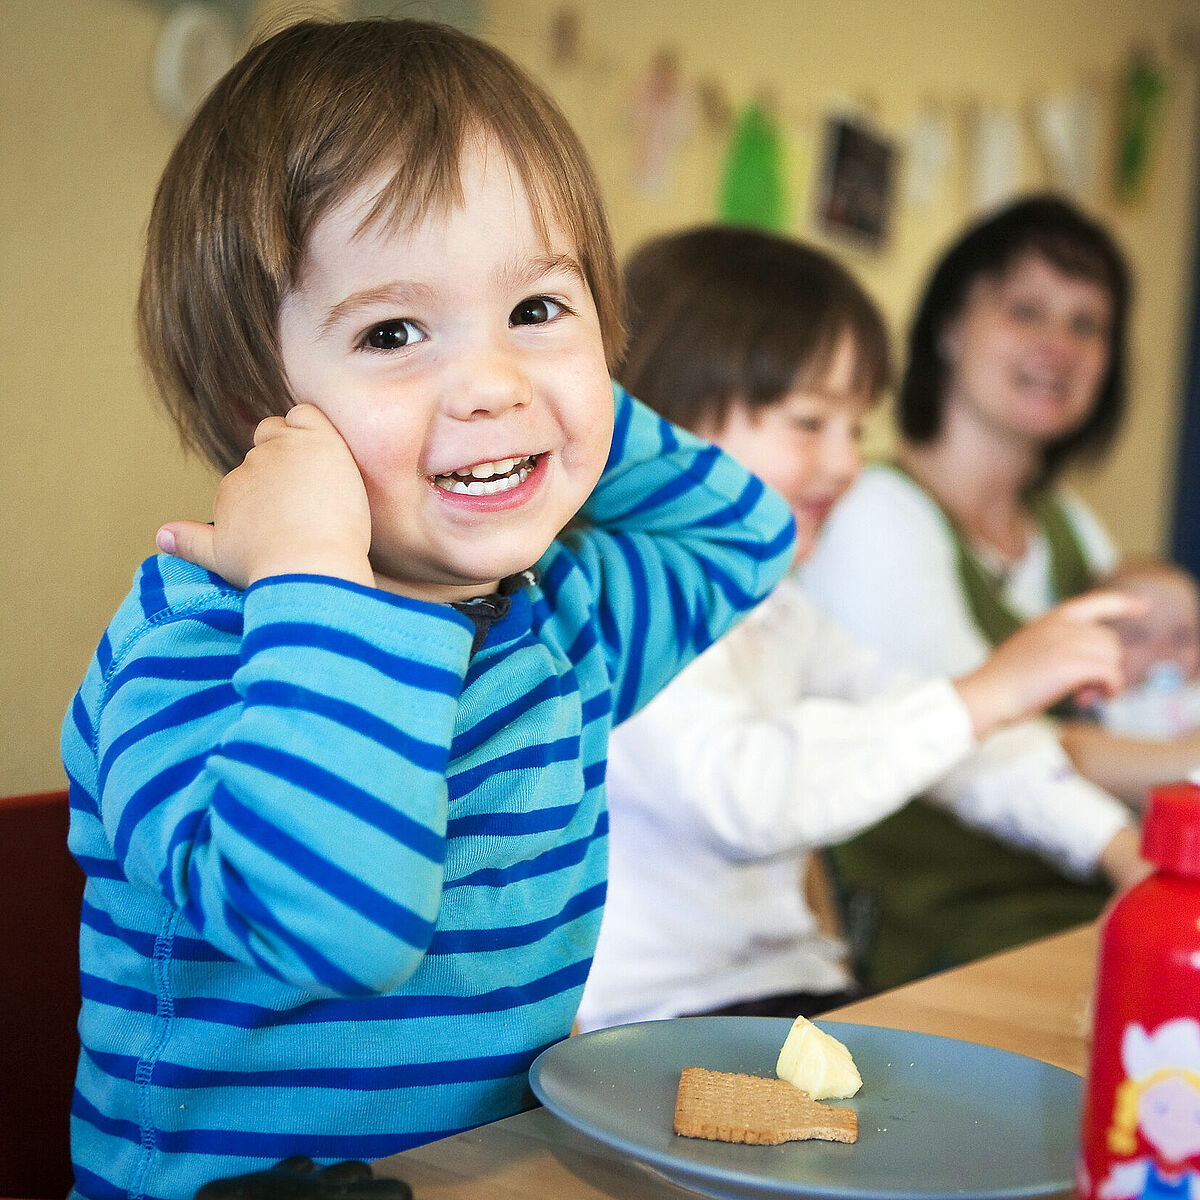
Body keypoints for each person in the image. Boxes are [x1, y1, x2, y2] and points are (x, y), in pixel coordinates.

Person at [59, 21, 795, 1200]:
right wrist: (313, 568)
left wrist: (571, 402)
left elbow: (745, 537)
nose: (490, 383)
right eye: (394, 332)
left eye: (539, 308)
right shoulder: (188, 652)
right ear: (266, 406)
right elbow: (339, 926)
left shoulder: (559, 623)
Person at [575, 224, 1144, 1033]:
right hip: (645, 1023)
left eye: (855, 426)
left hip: (785, 994)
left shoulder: (780, 608)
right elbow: (752, 796)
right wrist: (984, 693)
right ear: (670, 422)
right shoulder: (622, 604)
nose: (844, 463)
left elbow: (954, 740)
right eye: (809, 423)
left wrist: (1117, 848)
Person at [800, 194, 1142, 989]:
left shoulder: (1071, 529)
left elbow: (1133, 711)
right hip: (938, 937)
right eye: (1028, 310)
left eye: (1087, 324)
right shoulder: (876, 510)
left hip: (1077, 902)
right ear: (952, 326)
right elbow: (977, 732)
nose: (1059, 346)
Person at [1061, 557, 1200, 803]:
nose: (1164, 650)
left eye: (1181, 636)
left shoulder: (1193, 694)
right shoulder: (1098, 707)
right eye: (1137, 636)